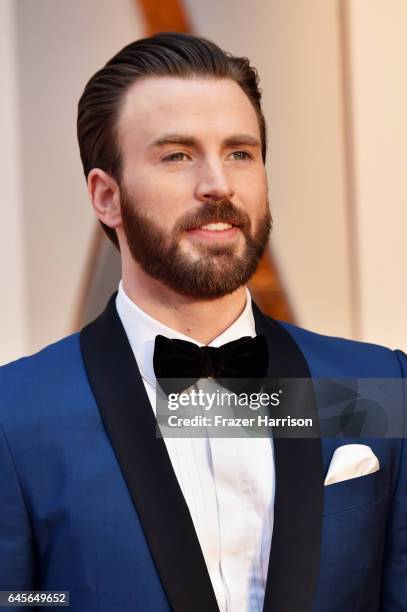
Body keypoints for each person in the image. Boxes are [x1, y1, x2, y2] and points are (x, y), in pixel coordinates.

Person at [0, 32, 405, 612]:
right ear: (106, 196)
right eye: (177, 155)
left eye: (240, 152)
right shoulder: (14, 417)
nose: (218, 184)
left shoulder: (379, 385)